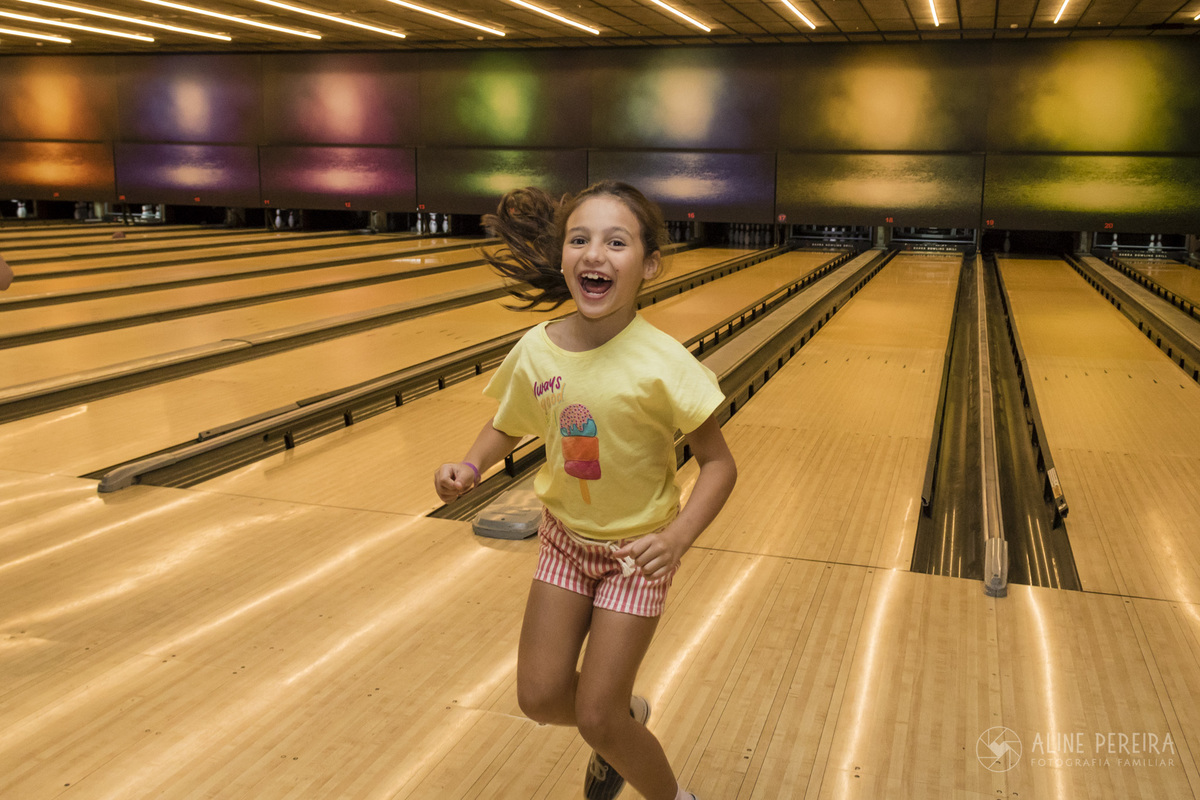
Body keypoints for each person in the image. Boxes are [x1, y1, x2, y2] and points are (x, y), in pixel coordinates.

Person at [434, 181, 737, 800]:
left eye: (616, 241)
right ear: (563, 257)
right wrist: (470, 466)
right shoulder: (538, 350)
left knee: (598, 717)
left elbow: (719, 465)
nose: (595, 253)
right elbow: (505, 424)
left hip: (637, 555)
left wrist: (677, 538)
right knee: (540, 698)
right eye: (580, 239)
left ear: (649, 264)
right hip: (564, 541)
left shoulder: (664, 361)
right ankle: (625, 725)